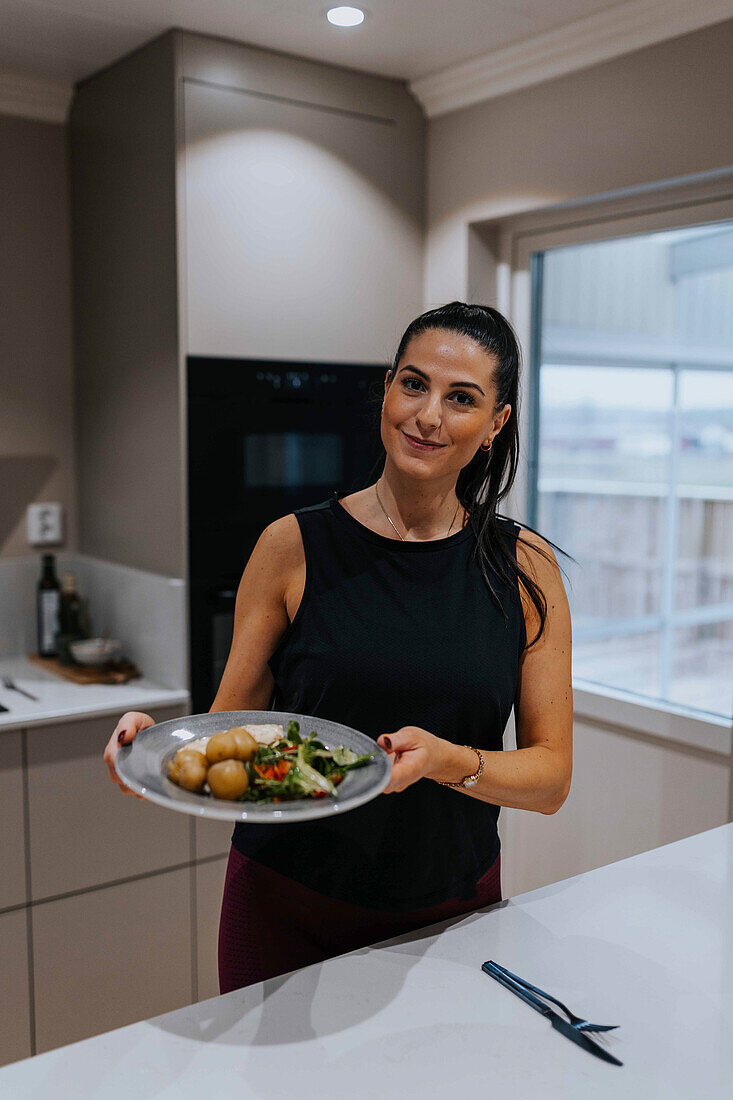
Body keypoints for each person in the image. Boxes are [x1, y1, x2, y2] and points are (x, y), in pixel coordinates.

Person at [104, 301, 573, 993]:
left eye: (461, 398)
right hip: (285, 903)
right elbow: (227, 728)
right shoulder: (290, 546)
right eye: (413, 384)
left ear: (495, 423)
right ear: (386, 389)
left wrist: (450, 761)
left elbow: (550, 778)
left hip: (447, 910)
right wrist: (155, 752)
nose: (428, 416)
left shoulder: (524, 567)